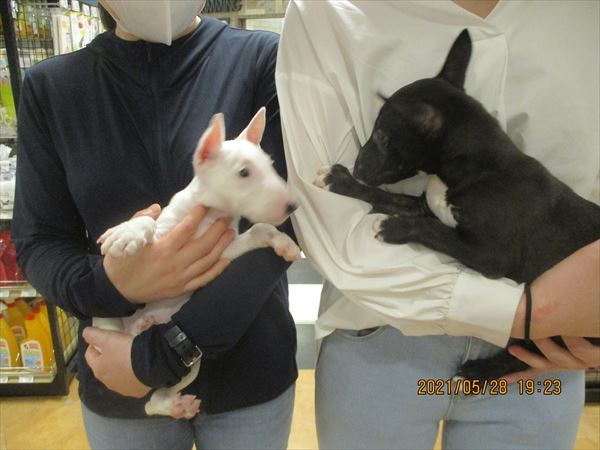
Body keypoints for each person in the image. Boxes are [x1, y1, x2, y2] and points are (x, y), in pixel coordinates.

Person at [276, 1, 599, 449]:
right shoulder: (325, 11)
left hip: (545, 358)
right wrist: (530, 311)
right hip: (384, 335)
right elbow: (326, 224)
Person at [12, 1, 298, 449]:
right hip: (118, 376)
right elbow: (39, 243)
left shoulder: (264, 59)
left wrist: (165, 352)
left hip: (249, 366)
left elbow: (289, 215)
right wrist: (114, 284)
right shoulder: (51, 86)